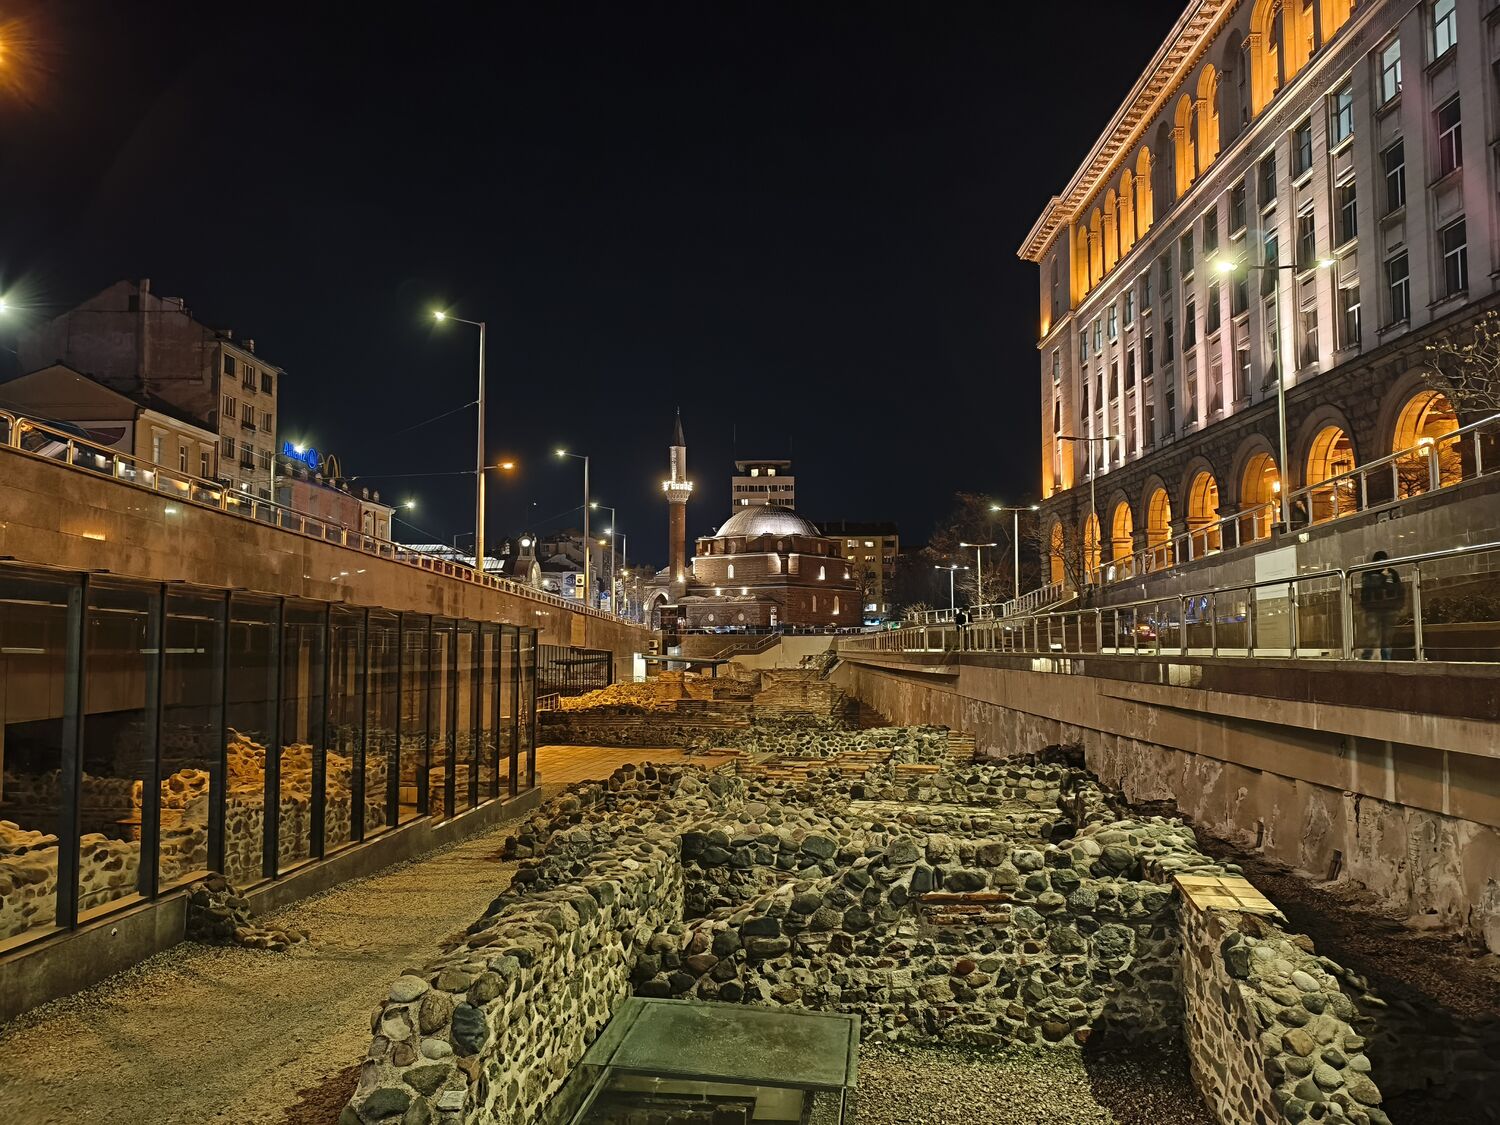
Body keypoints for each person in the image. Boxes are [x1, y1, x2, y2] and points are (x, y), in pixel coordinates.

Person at [1359, 550, 1403, 660]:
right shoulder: (1368, 573)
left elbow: (1400, 590)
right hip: (1373, 610)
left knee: (1387, 640)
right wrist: (1382, 577)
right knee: (1371, 638)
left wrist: (1398, 607)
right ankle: (1366, 660)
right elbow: (1368, 586)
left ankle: (1386, 662)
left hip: (1389, 610)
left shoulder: (1392, 573)